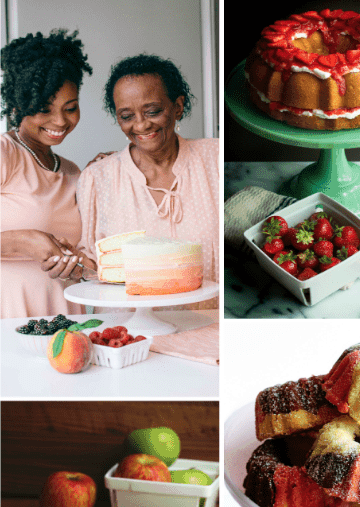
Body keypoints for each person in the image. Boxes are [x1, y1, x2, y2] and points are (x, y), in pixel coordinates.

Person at [77, 54, 219, 309]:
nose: (141, 125)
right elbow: (93, 265)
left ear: (177, 106)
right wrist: (69, 264)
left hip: (209, 328)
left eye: (153, 111)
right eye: (127, 116)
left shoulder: (215, 159)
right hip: (132, 335)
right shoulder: (98, 178)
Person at [1, 29, 96, 318]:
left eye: (70, 108)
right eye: (44, 109)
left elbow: (85, 261)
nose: (60, 121)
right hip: (9, 310)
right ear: (18, 107)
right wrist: (22, 240)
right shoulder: (6, 154)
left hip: (64, 310)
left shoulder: (72, 172)